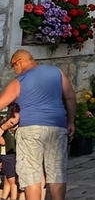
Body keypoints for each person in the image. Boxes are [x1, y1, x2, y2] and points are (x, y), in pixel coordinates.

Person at [0, 51, 76, 200]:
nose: (14, 70)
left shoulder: (19, 81)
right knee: (56, 173)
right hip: (57, 127)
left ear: (19, 62)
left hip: (30, 130)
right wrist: (71, 121)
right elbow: (70, 96)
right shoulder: (57, 72)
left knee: (31, 175)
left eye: (13, 66)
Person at [0, 105, 19, 200]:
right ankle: (4, 197)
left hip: (11, 156)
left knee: (11, 181)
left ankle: (9, 197)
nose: (13, 124)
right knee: (9, 181)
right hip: (6, 156)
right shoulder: (3, 125)